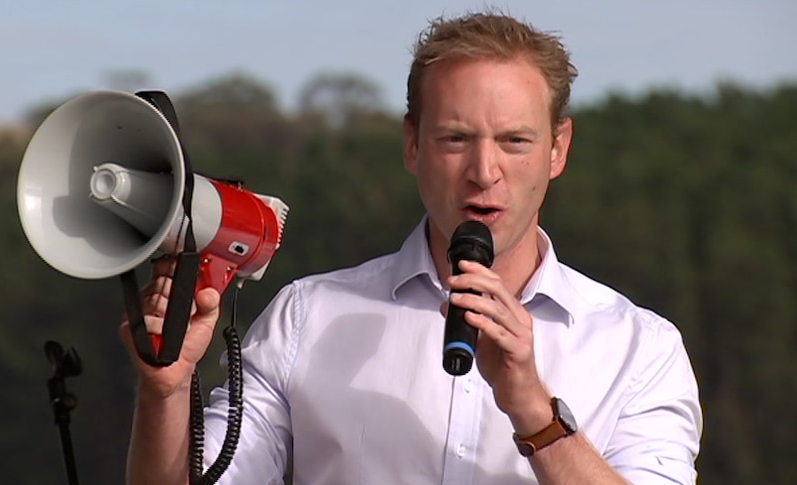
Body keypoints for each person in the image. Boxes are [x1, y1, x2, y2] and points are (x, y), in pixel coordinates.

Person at [121, 9, 702, 485]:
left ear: (558, 149)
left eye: (515, 141)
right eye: (455, 138)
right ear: (412, 145)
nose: (484, 171)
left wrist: (534, 412)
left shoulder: (640, 349)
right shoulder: (307, 318)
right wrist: (166, 393)